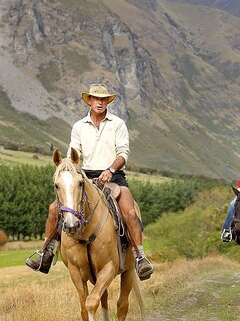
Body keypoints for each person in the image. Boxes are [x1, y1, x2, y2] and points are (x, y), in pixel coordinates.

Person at [26, 83, 153, 280]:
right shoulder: (78, 126)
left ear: (107, 102)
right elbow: (73, 154)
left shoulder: (117, 123)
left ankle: (140, 257)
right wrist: (70, 169)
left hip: (115, 175)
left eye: (103, 99)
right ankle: (46, 252)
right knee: (54, 209)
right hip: (85, 176)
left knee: (129, 212)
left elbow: (123, 153)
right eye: (96, 99)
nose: (100, 102)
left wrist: (110, 170)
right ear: (90, 101)